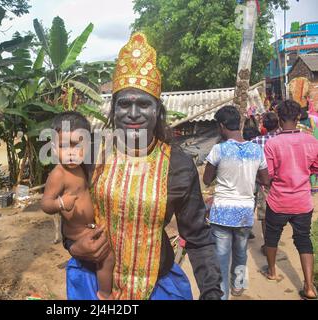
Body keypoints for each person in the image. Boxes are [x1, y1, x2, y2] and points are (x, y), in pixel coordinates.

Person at [62, 32, 223, 300]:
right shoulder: (92, 155)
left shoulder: (178, 165)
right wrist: (73, 246)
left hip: (157, 287)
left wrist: (212, 292)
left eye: (144, 104)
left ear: (157, 110)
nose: (134, 113)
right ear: (113, 109)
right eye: (125, 104)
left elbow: (198, 237)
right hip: (92, 283)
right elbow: (69, 212)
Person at [41, 111, 115, 300]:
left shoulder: (83, 167)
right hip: (77, 234)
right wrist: (60, 203)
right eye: (64, 146)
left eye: (77, 146)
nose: (71, 153)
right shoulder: (58, 174)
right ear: (55, 149)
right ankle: (105, 295)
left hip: (89, 226)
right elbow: (45, 203)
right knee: (107, 258)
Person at [203, 106, 269, 300]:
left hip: (222, 211)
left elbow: (207, 179)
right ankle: (238, 286)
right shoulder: (256, 149)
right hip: (244, 211)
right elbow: (265, 180)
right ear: (238, 124)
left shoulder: (219, 149)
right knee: (240, 252)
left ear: (222, 126)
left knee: (221, 257)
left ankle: (222, 295)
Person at [262, 100, 318, 300]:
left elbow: (267, 176)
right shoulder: (312, 141)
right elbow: (317, 167)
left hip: (278, 200)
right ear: (298, 118)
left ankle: (272, 271)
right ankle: (309, 286)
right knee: (304, 241)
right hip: (302, 201)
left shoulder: (272, 143)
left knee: (271, 236)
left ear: (278, 119)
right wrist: (306, 171)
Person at [252, 112, 279, 255]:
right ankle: (275, 242)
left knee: (265, 215)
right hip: (282, 182)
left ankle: (269, 244)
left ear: (263, 126)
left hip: (263, 183)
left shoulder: (256, 141)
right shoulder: (283, 139)